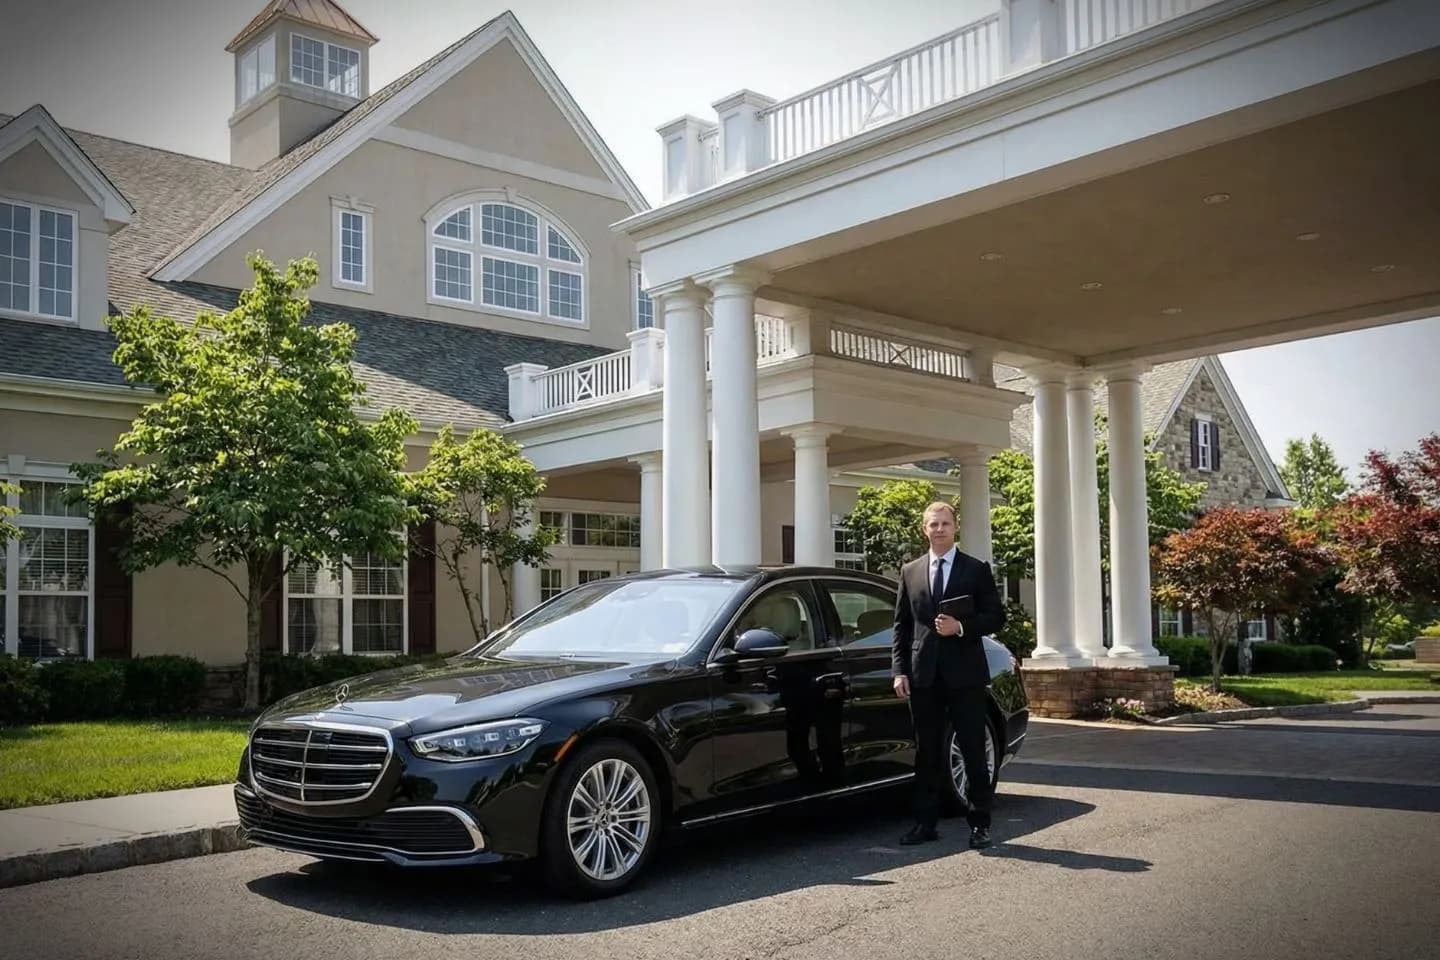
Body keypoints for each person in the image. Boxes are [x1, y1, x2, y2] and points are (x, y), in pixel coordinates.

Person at [892, 500, 1006, 848]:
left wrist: (960, 627)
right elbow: (901, 625)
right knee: (926, 752)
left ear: (955, 526)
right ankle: (925, 824)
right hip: (924, 675)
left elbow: (996, 617)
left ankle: (980, 823)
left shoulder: (975, 569)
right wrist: (900, 670)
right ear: (923, 529)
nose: (939, 529)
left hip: (965, 676)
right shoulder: (910, 571)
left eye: (944, 523)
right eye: (932, 524)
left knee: (973, 750)